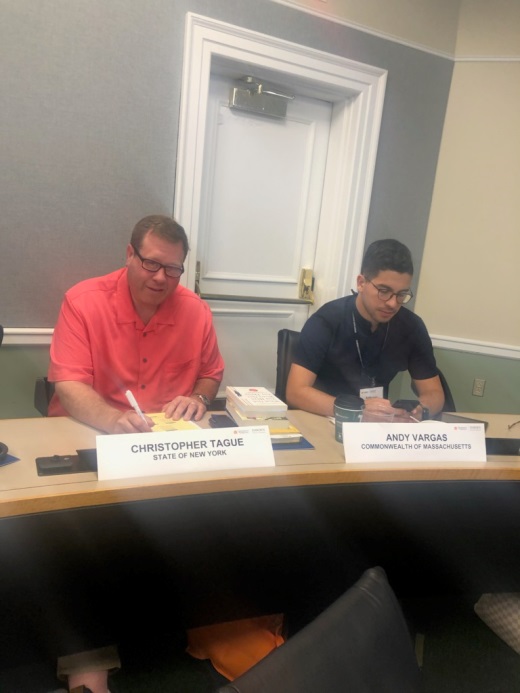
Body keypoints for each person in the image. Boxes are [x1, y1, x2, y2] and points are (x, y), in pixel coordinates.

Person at [46, 214, 224, 693]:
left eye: (174, 269)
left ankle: (206, 630)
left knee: (216, 516)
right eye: (151, 264)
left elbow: (210, 373)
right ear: (129, 255)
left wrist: (201, 398)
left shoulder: (196, 311)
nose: (161, 278)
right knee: (83, 533)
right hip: (88, 436)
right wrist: (112, 420)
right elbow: (69, 385)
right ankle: (88, 663)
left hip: (160, 445)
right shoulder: (83, 301)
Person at [286, 238, 444, 420]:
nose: (393, 303)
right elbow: (296, 392)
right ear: (361, 283)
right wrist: (357, 410)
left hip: (378, 423)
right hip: (324, 418)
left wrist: (419, 411)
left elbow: (435, 393)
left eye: (401, 294)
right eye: (383, 291)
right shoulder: (327, 320)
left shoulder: (411, 327)